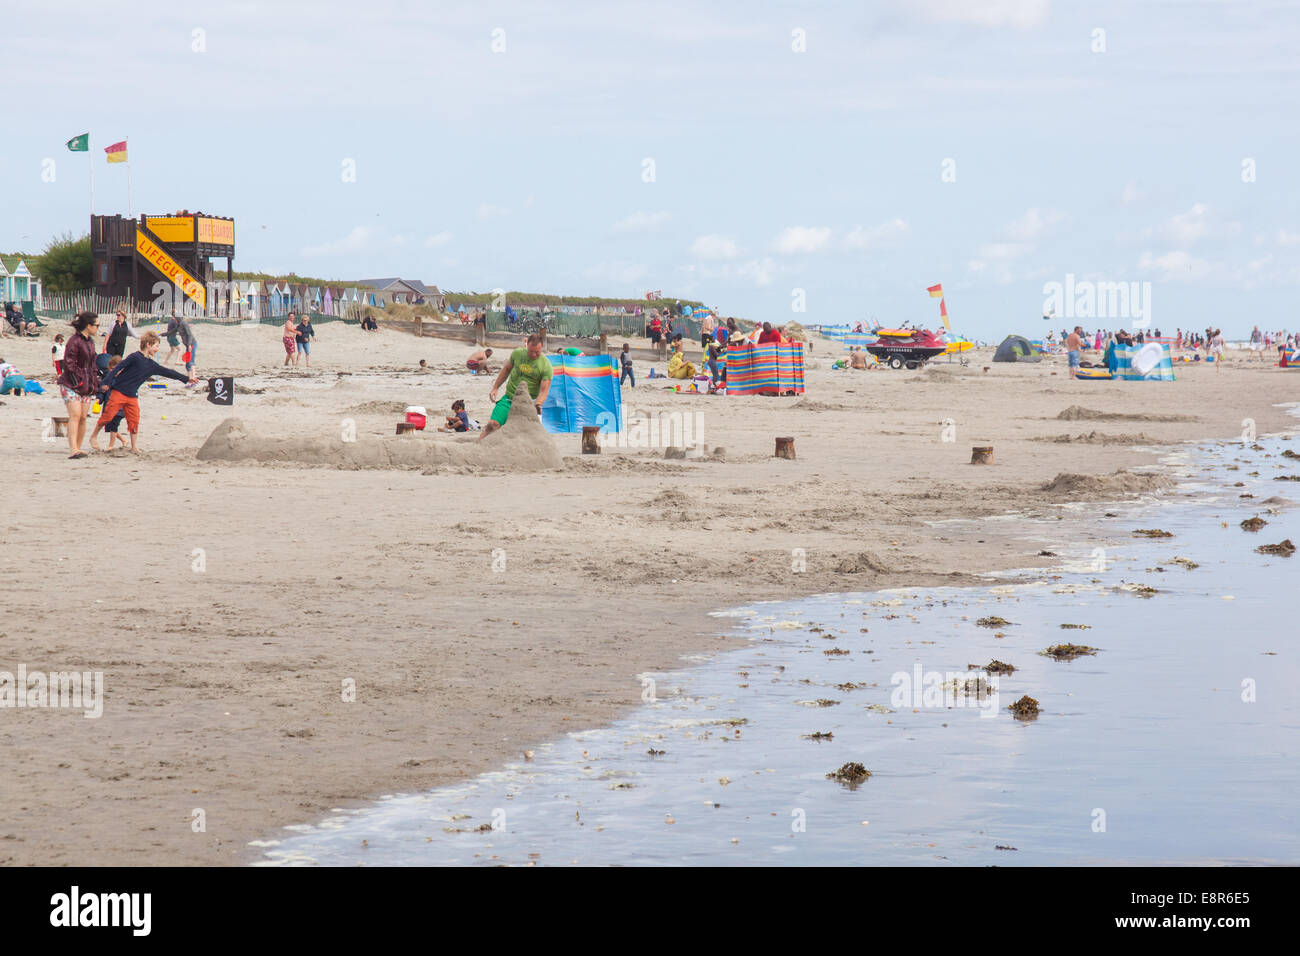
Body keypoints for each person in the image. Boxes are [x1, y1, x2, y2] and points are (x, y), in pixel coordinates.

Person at [89, 331, 198, 453]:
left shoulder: (152, 365)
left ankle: (134, 447)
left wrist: (187, 379)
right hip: (118, 391)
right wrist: (106, 383)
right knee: (108, 416)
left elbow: (169, 372)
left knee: (134, 420)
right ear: (148, 344)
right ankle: (93, 436)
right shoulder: (134, 357)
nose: (157, 349)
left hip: (132, 396)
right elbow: (118, 368)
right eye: (156, 346)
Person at [478, 334, 553, 441]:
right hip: (509, 398)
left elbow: (544, 391)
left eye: (537, 352)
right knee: (492, 425)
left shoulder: (546, 365)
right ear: (527, 346)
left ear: (542, 348)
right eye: (531, 351)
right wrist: (495, 388)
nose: (534, 354)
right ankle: (477, 446)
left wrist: (538, 405)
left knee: (527, 437)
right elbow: (506, 370)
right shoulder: (517, 353)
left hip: (528, 403)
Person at [58, 312, 102, 459]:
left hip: (87, 385)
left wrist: (94, 381)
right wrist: (79, 381)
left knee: (83, 417)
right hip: (71, 384)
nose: (98, 328)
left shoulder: (90, 342)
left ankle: (79, 447)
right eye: (96, 325)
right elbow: (69, 364)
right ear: (88, 326)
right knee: (75, 415)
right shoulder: (74, 341)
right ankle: (73, 449)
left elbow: (92, 364)